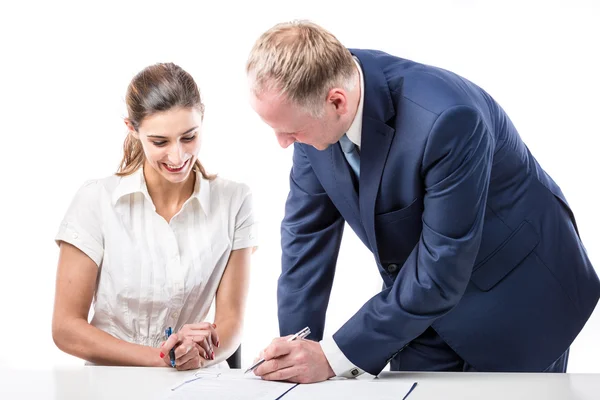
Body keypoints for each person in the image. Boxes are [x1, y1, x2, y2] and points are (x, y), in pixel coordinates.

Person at [245, 20, 600, 383]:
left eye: (290, 130)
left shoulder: (447, 119)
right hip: (420, 301)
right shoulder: (311, 113)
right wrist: (295, 347)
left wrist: (333, 357)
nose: (283, 142)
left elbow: (441, 266)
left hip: (518, 297)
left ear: (337, 101)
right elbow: (305, 236)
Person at [52, 62, 257, 370]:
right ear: (133, 130)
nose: (178, 156)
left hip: (194, 381)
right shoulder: (96, 200)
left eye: (189, 137)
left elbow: (232, 322)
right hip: (113, 383)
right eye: (160, 142)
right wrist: (163, 359)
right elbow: (66, 328)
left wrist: (198, 354)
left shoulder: (234, 200)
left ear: (203, 118)